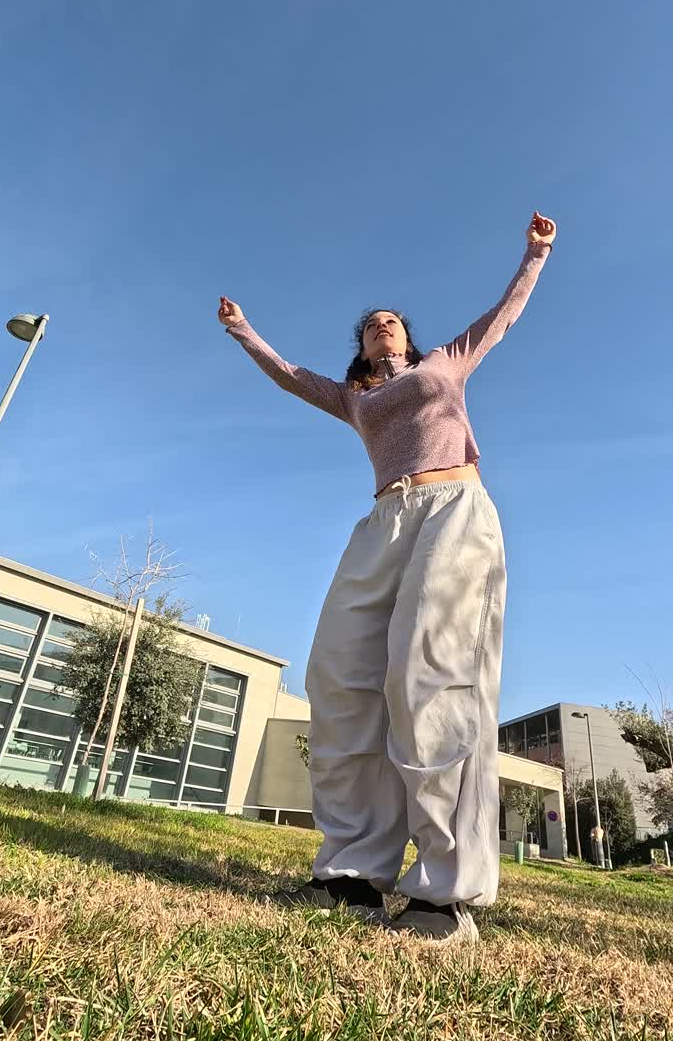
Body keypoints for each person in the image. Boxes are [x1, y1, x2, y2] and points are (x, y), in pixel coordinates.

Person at [218, 211, 556, 944]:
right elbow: (288, 376)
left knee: (430, 673)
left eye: (390, 322)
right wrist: (244, 329)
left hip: (453, 507)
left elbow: (502, 317)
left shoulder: (447, 362)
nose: (381, 327)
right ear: (363, 346)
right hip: (383, 521)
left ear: (407, 334)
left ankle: (444, 895)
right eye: (370, 325)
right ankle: (352, 874)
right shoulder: (355, 398)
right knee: (339, 675)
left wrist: (535, 254)